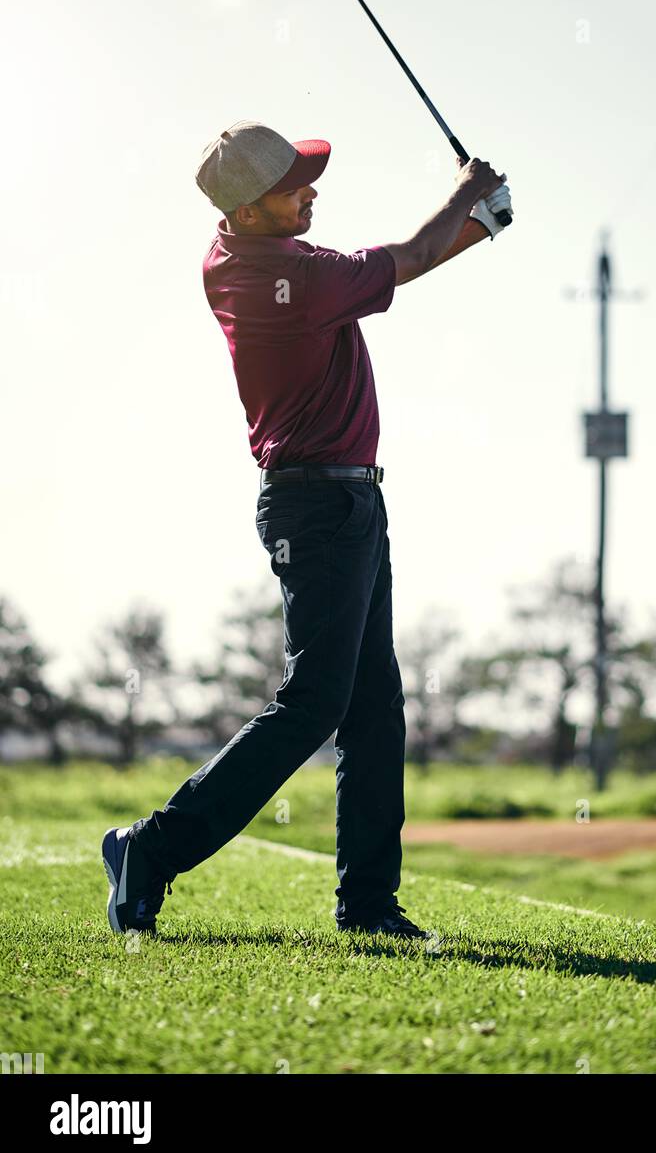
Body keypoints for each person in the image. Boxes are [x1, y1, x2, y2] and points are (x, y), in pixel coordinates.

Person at [102, 119, 511, 940]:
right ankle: (149, 849)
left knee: (372, 708)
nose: (310, 190)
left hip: (347, 503)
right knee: (315, 701)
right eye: (294, 186)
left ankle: (367, 905)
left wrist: (478, 220)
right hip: (317, 509)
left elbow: (405, 259)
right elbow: (411, 257)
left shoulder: (249, 258)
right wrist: (474, 200)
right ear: (248, 212)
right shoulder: (282, 279)